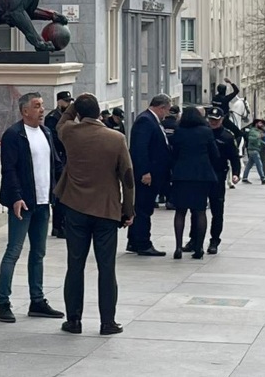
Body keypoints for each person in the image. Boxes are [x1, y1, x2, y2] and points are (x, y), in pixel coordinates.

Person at [54, 93, 136, 336]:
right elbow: (128, 178)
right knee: (106, 268)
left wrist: (73, 108)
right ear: (100, 112)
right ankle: (107, 322)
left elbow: (61, 122)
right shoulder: (116, 138)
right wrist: (128, 210)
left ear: (78, 113)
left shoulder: (70, 132)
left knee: (75, 265)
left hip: (76, 207)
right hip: (106, 210)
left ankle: (74, 321)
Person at [0, 92, 65, 323]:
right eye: (37, 106)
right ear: (25, 111)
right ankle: (3, 303)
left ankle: (37, 300)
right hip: (23, 203)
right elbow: (9, 169)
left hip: (44, 202)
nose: (42, 110)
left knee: (38, 253)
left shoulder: (46, 132)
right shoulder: (14, 135)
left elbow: (56, 164)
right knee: (13, 251)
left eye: (42, 105)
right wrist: (15, 197)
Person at [185, 106, 241, 254]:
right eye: (211, 119)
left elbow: (234, 157)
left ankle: (214, 240)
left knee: (217, 210)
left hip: (218, 175)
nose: (213, 122)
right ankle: (194, 240)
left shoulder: (227, 137)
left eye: (216, 120)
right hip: (201, 176)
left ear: (222, 120)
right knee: (196, 209)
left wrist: (236, 173)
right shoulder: (202, 133)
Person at [168, 106, 219, 259]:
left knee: (180, 212)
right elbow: (214, 154)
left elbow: (173, 153)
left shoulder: (179, 132)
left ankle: (178, 247)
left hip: (182, 176)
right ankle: (199, 248)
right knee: (200, 211)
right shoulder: (206, 132)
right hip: (202, 176)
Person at [127, 94, 172, 256]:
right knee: (144, 209)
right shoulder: (145, 120)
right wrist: (145, 171)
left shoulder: (152, 120)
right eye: (166, 111)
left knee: (142, 208)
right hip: (147, 175)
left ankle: (133, 240)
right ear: (161, 107)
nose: (166, 115)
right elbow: (140, 148)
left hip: (154, 173)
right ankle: (143, 242)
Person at [43, 90, 73, 239]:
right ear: (59, 102)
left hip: (66, 158)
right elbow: (55, 140)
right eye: (66, 101)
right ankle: (59, 227)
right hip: (58, 160)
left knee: (64, 195)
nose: (68, 104)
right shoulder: (53, 118)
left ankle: (60, 225)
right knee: (60, 196)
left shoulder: (68, 118)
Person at [241, 119, 265, 184]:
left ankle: (244, 178)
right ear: (256, 124)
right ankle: (263, 178)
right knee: (259, 164)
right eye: (260, 123)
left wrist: (264, 143)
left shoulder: (257, 131)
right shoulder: (253, 131)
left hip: (255, 149)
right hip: (253, 149)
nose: (261, 125)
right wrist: (259, 136)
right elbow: (251, 139)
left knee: (249, 165)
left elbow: (258, 140)